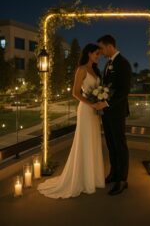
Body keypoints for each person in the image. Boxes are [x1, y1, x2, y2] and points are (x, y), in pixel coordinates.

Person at [37, 43, 105, 198]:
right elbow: (75, 93)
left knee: (93, 141)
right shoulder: (81, 70)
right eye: (96, 54)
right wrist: (92, 103)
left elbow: (98, 91)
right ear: (89, 53)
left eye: (99, 55)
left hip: (95, 111)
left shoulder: (94, 70)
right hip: (86, 110)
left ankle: (92, 178)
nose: (98, 57)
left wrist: (100, 100)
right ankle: (82, 179)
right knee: (84, 141)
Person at [97, 34, 132, 196]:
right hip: (107, 113)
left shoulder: (123, 63)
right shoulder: (107, 64)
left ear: (110, 46)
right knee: (111, 144)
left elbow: (124, 91)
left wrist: (107, 103)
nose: (101, 51)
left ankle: (122, 180)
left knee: (120, 145)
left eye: (102, 48)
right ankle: (114, 173)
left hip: (117, 112)